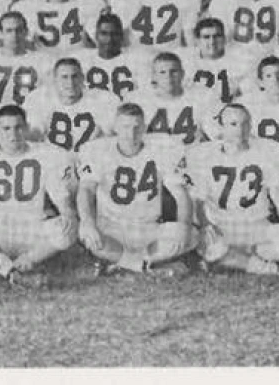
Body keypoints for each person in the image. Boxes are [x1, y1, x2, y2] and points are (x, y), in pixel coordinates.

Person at [0, 105, 78, 288]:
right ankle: (14, 273)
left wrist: (68, 214)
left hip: (32, 229)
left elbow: (61, 197)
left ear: (27, 128)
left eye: (18, 127)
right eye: (6, 128)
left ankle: (9, 267)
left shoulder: (46, 154)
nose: (13, 134)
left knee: (68, 228)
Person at [186, 104, 279, 275]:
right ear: (221, 127)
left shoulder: (264, 152)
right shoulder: (204, 155)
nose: (240, 130)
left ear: (251, 126)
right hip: (221, 226)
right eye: (233, 124)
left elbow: (278, 195)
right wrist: (205, 225)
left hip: (257, 225)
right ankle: (270, 269)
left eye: (245, 124)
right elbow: (198, 200)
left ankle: (234, 261)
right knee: (212, 246)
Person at [77, 103, 195, 278]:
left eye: (136, 127)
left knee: (190, 235)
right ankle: (148, 266)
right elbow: (86, 190)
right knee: (87, 235)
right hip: (111, 227)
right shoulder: (98, 150)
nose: (131, 134)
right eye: (125, 127)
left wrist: (184, 224)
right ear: (115, 127)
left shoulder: (161, 150)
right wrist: (87, 221)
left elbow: (181, 194)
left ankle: (124, 265)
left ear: (144, 128)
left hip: (148, 227)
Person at [23, 57, 120, 153]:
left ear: (82, 78)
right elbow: (33, 136)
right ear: (55, 80)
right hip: (53, 160)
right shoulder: (41, 99)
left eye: (75, 76)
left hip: (91, 159)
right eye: (64, 77)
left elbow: (114, 133)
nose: (70, 83)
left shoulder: (100, 99)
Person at [123, 52, 217, 145]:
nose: (168, 77)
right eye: (162, 72)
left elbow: (215, 135)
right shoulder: (138, 100)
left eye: (174, 71)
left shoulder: (201, 97)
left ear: (182, 74)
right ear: (154, 76)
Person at [78, 12, 156, 98]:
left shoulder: (136, 59)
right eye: (104, 34)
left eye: (115, 34)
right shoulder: (82, 60)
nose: (109, 39)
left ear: (122, 36)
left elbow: (145, 95)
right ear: (96, 35)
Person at [179, 17, 256, 104]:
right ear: (197, 41)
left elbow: (248, 95)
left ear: (224, 38)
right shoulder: (185, 61)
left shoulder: (241, 60)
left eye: (217, 36)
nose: (212, 41)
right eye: (206, 37)